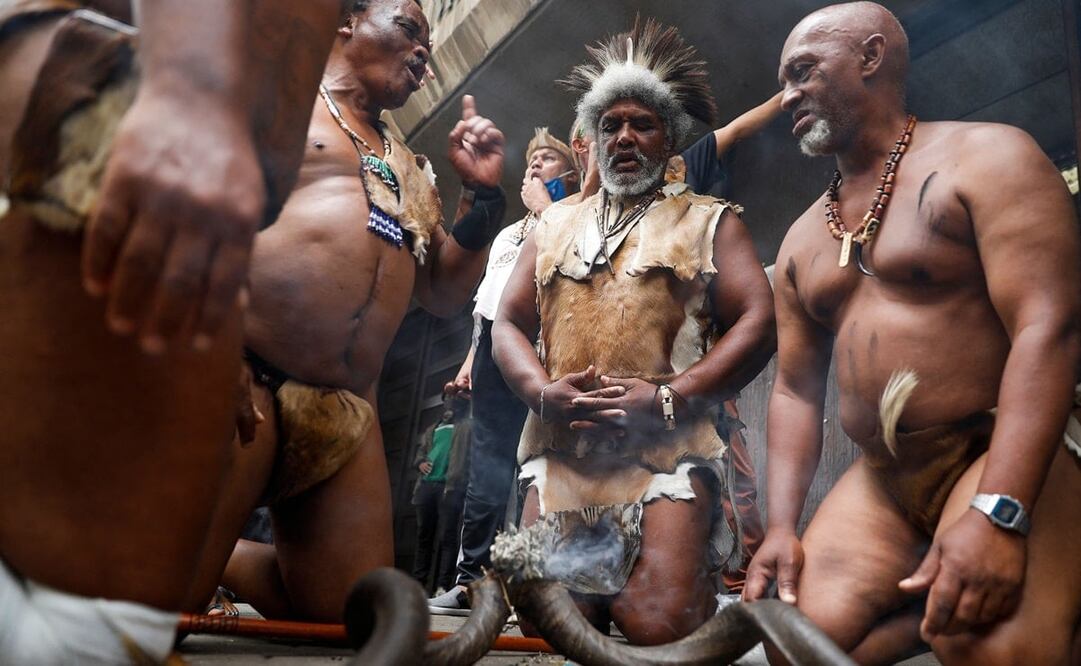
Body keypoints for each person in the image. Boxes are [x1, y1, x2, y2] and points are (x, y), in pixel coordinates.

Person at [0, 0, 344, 661]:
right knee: (82, 636)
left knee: (86, 636)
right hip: (103, 99)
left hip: (148, 123)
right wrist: (190, 87)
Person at [743, 3, 1081, 664]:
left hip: (997, 449)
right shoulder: (803, 238)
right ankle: (935, 604)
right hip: (886, 480)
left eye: (802, 72)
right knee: (794, 647)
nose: (786, 97)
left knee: (987, 649)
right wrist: (780, 527)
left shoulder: (988, 158)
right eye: (785, 80)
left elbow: (1049, 329)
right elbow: (792, 391)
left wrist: (997, 512)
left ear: (870, 58)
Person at [200, 0, 506, 623]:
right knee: (149, 607)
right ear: (345, 22)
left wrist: (483, 200)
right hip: (241, 374)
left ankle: (227, 559)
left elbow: (443, 291)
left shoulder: (409, 166)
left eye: (428, 41)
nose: (424, 50)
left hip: (341, 411)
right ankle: (189, 559)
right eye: (407, 29)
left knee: (352, 614)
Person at [493, 19, 776, 645]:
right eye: (611, 124)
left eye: (641, 123)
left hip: (664, 452)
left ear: (668, 138)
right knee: (549, 627)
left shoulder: (709, 221)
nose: (624, 136)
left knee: (656, 623)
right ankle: (596, 597)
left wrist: (671, 396)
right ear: (594, 136)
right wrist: (542, 392)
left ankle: (685, 586)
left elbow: (759, 321)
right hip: (561, 450)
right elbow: (508, 323)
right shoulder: (553, 223)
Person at [431, 127, 578, 613]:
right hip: (498, 354)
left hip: (547, 354)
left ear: (572, 169)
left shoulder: (574, 215)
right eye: (531, 158)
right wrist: (473, 361)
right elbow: (486, 309)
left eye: (548, 159)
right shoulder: (505, 237)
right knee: (486, 469)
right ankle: (472, 581)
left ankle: (526, 583)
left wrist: (545, 207)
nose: (535, 165)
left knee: (534, 467)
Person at [411, 394, 472, 592]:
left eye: (454, 398)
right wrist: (420, 463)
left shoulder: (466, 426)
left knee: (447, 536)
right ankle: (419, 585)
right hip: (426, 486)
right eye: (447, 398)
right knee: (424, 537)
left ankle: (442, 586)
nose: (450, 402)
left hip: (450, 487)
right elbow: (420, 453)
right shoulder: (432, 429)